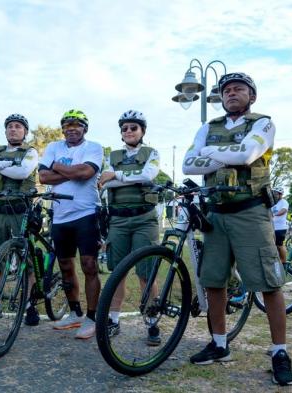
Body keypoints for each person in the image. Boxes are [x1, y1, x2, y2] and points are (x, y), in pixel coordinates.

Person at [182, 72, 292, 386]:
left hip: (250, 211)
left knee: (269, 283)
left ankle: (279, 352)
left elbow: (248, 154)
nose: (231, 93)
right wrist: (223, 157)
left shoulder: (263, 124)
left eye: (239, 89)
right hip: (215, 213)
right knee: (214, 281)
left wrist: (209, 154)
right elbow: (188, 164)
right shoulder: (209, 126)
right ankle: (219, 344)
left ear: (252, 96)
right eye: (226, 89)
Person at [38, 109, 103, 339]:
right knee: (65, 266)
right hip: (60, 215)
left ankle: (92, 317)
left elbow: (86, 172)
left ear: (85, 128)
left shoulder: (94, 147)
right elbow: (43, 177)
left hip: (85, 213)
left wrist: (58, 167)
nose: (71, 128)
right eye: (67, 125)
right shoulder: (54, 147)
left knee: (89, 265)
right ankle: (75, 312)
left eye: (77, 124)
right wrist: (72, 173)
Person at [98, 110, 161, 345]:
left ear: (142, 130)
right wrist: (122, 175)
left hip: (144, 218)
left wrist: (116, 175)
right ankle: (114, 320)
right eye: (124, 128)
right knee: (117, 272)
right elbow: (103, 181)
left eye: (133, 127)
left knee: (146, 272)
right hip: (118, 220)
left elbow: (148, 175)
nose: (128, 132)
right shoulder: (111, 155)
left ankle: (152, 322)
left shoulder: (151, 152)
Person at [0, 113, 40, 325]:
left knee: (26, 260)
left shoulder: (30, 152)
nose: (13, 129)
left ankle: (30, 304)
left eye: (18, 127)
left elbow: (23, 172)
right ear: (5, 131)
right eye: (10, 126)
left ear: (25, 132)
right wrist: (7, 164)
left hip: (19, 211)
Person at [271, 187, 289, 263]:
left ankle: (284, 260)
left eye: (276, 193)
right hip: (273, 227)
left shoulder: (284, 202)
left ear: (280, 194)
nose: (274, 195)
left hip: (280, 228)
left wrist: (275, 214)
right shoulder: (274, 203)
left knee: (279, 244)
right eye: (274, 193)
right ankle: (278, 258)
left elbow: (284, 210)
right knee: (274, 245)